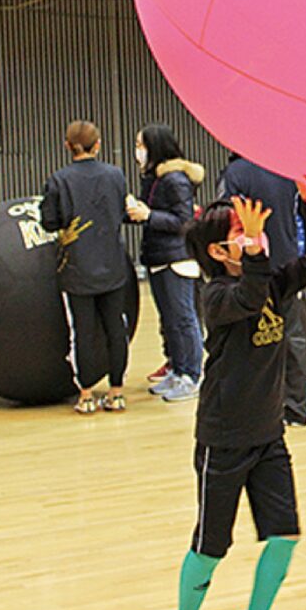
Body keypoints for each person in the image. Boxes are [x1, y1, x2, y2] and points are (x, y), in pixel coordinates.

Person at [160, 185, 306, 610]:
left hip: (268, 435)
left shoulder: (272, 283)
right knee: (211, 545)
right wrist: (256, 250)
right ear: (218, 251)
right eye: (240, 234)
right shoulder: (216, 296)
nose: (253, 238)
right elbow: (250, 295)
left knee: (283, 535)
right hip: (224, 439)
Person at [217, 154, 306, 424]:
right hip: (287, 260)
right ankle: (298, 407)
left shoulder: (236, 172)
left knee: (252, 336)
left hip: (253, 263)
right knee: (291, 334)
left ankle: (260, 405)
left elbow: (227, 217)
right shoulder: (283, 166)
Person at [41, 120, 130, 414]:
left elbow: (49, 222)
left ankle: (86, 395)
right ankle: (117, 393)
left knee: (82, 331)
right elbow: (123, 211)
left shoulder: (57, 180)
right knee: (115, 328)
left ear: (67, 146)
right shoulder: (116, 175)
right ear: (99, 144)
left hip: (77, 267)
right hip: (113, 265)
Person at [126, 125, 205, 403]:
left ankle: (193, 374)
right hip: (159, 257)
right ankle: (178, 368)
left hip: (177, 258)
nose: (137, 150)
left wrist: (148, 215)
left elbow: (183, 221)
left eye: (141, 144)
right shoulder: (154, 179)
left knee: (184, 318)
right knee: (169, 319)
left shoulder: (174, 179)